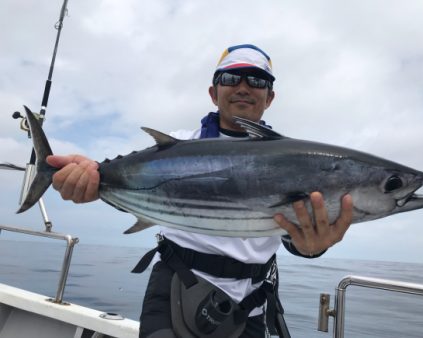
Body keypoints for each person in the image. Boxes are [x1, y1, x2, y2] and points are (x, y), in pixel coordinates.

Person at [47, 44, 353, 338]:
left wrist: (313, 246)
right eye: (231, 78)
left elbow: (294, 236)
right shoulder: (177, 146)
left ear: (270, 97)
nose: (244, 87)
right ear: (213, 92)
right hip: (175, 285)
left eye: (257, 80)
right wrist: (91, 181)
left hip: (251, 302)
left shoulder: (294, 162)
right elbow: (139, 190)